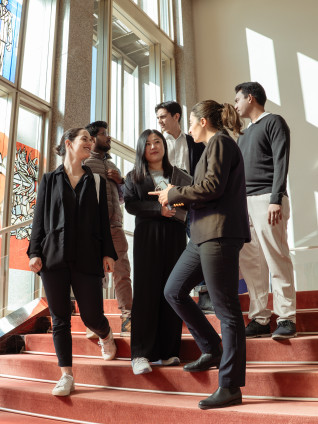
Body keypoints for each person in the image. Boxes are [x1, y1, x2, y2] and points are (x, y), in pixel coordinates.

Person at [150, 100, 250, 409]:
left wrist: (175, 194)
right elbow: (205, 190)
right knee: (174, 291)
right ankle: (212, 347)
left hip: (219, 234)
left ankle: (230, 385)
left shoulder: (220, 142)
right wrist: (174, 197)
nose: (190, 128)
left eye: (191, 123)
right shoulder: (212, 147)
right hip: (202, 234)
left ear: (203, 121)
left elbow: (211, 187)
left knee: (227, 311)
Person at [27, 128, 118, 397]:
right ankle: (66, 375)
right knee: (60, 320)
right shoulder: (49, 179)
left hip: (88, 256)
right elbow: (38, 220)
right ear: (69, 144)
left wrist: (108, 253)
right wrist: (34, 252)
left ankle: (105, 334)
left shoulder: (97, 181)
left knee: (91, 316)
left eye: (92, 140)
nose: (91, 143)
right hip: (53, 256)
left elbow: (104, 222)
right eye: (85, 140)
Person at [234, 82, 296, 340]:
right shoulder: (244, 134)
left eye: (238, 99)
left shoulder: (274, 122)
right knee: (251, 263)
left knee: (276, 257)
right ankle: (259, 317)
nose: (235, 104)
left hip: (268, 200)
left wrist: (276, 198)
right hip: (244, 203)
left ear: (251, 97)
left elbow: (281, 159)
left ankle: (286, 317)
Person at [124, 129, 187, 375]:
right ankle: (140, 354)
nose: (153, 146)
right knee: (146, 292)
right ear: (142, 148)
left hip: (174, 236)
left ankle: (169, 350)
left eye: (157, 142)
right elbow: (130, 204)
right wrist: (157, 210)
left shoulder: (178, 175)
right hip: (148, 236)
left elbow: (188, 199)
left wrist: (176, 206)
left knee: (172, 290)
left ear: (164, 146)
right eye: (148, 143)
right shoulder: (134, 177)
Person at [155, 101, 213, 314]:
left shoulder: (194, 141)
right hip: (168, 202)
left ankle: (205, 296)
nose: (160, 121)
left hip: (193, 201)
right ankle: (174, 297)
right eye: (158, 118)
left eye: (163, 116)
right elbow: (155, 173)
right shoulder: (158, 143)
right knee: (173, 249)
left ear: (176, 116)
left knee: (199, 246)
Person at [85, 120, 132, 336]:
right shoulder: (84, 163)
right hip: (92, 228)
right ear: (93, 138)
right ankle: (94, 322)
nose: (109, 137)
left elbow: (121, 199)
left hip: (115, 226)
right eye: (105, 134)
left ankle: (128, 318)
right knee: (93, 274)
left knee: (122, 272)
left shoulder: (114, 166)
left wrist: (120, 181)